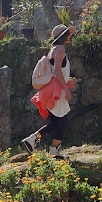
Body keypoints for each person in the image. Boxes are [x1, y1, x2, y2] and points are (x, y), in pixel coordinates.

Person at [21, 24, 77, 159]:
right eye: (68, 33)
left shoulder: (53, 50)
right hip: (57, 91)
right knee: (62, 121)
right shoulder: (60, 49)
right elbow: (57, 71)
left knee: (55, 122)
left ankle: (33, 141)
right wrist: (66, 89)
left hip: (52, 90)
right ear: (63, 36)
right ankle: (51, 149)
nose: (70, 35)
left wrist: (68, 80)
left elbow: (56, 72)